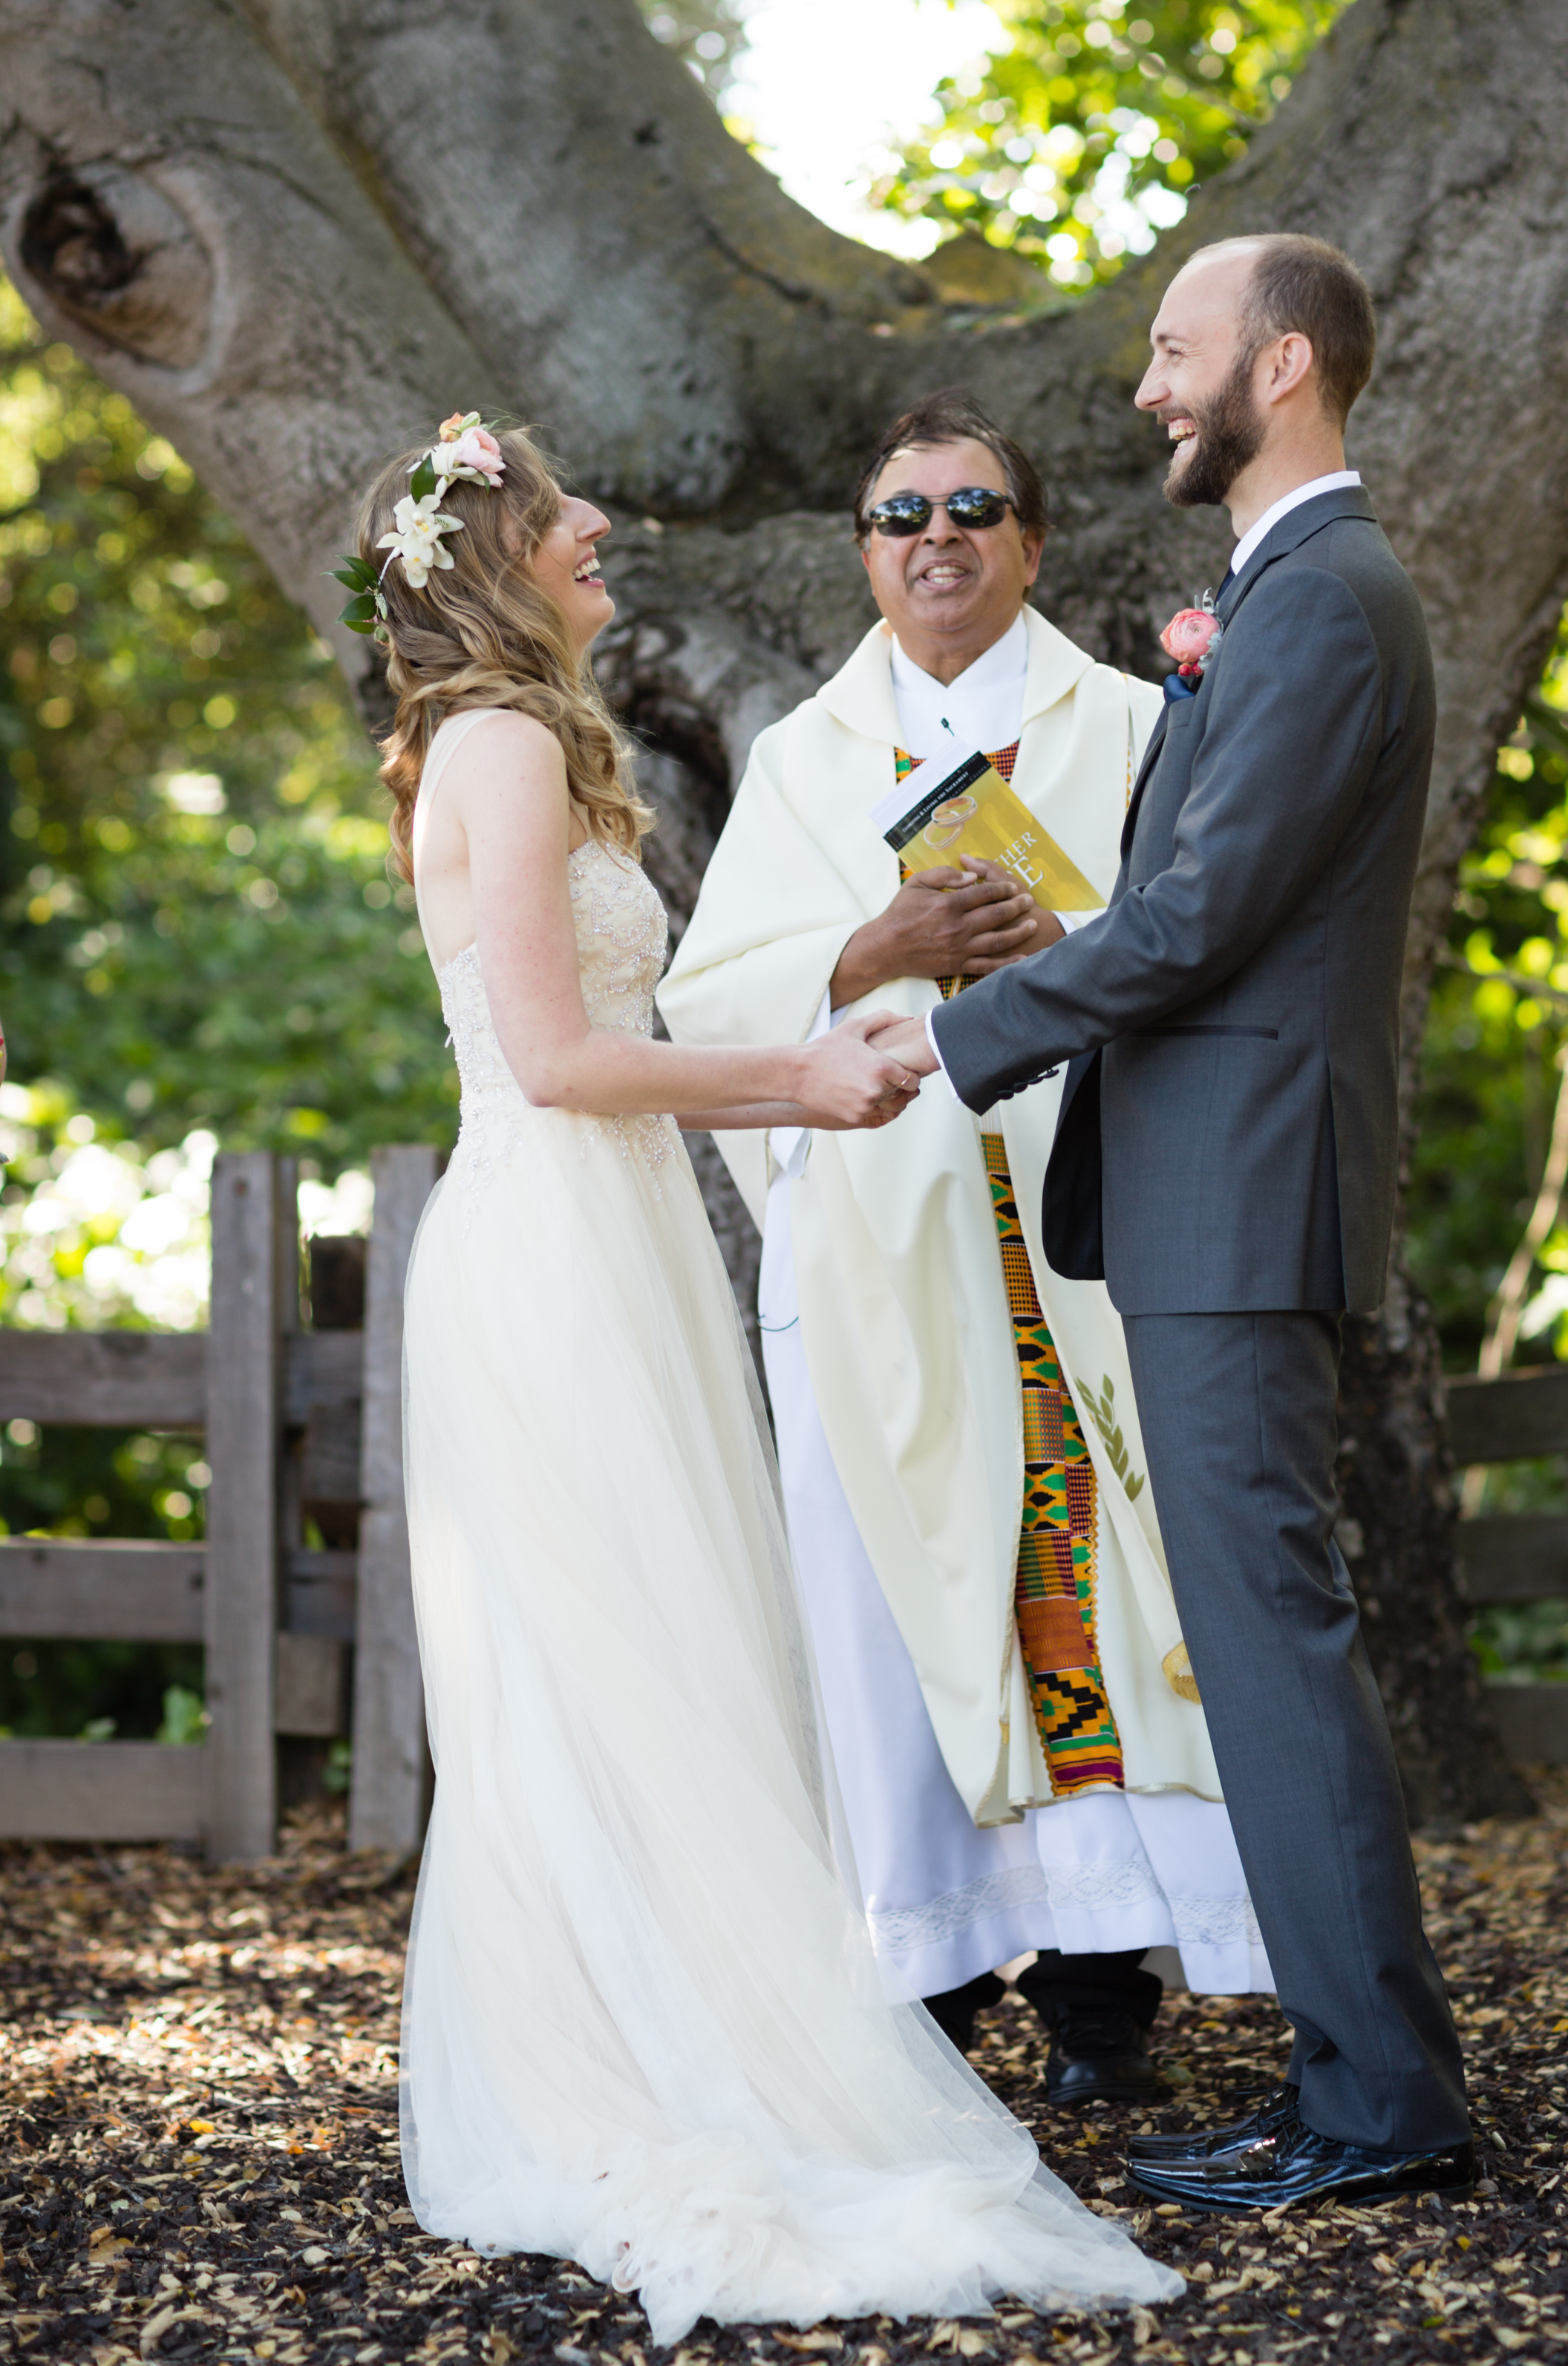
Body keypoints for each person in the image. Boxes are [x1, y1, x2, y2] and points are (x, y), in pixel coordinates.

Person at [345, 415, 1180, 2339]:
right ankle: (648, 2069)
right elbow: (552, 1058)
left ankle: (683, 2023)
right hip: (552, 1242)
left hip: (602, 1238)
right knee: (617, 1663)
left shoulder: (524, 739)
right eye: (565, 511)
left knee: (664, 1655)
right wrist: (806, 1074)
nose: (600, 525)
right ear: (496, 548)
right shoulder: (490, 743)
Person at [875, 238, 1477, 2218]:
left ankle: (1379, 2103)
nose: (1148, 386)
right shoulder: (1288, 596)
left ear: (1279, 365)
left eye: (1175, 349)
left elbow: (1209, 917)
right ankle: (1358, 2079)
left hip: (1243, 1197)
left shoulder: (1321, 600)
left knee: (1274, 1647)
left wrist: (960, 1034)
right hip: (1212, 1190)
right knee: (1261, 1638)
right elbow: (1211, 907)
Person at [661, 390, 1274, 2107]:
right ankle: (928, 1973)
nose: (934, 536)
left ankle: (1099, 1992)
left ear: (1030, 540)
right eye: (899, 513)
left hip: (1080, 1224)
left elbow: (1215, 943)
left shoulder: (1139, 727)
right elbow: (708, 1005)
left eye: (970, 506)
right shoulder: (799, 759)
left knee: (1092, 1590)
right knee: (891, 1601)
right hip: (884, 1245)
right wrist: (872, 946)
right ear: (863, 552)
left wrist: (1061, 945)